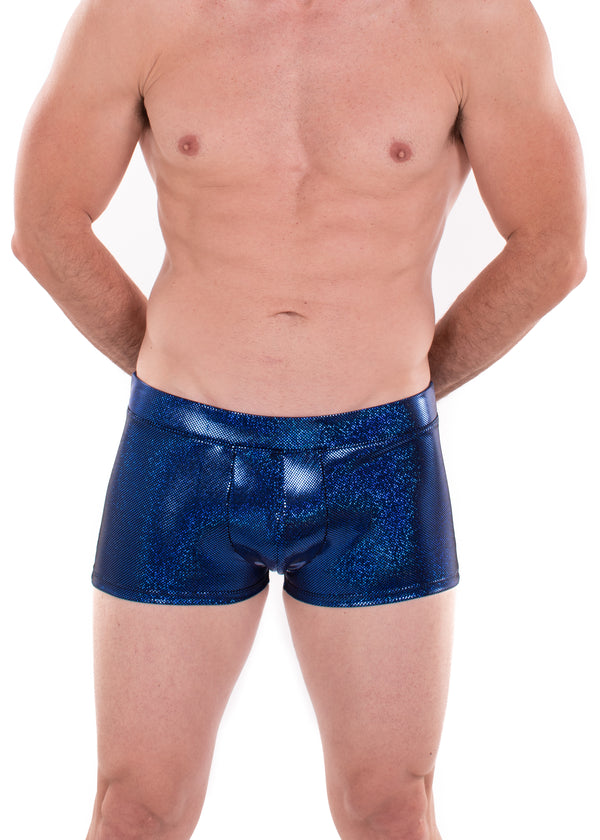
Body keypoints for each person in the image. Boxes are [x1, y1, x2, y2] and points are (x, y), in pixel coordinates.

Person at [12, 0, 586, 837]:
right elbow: (44, 222)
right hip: (182, 458)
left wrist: (415, 388)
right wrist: (171, 374)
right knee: (136, 810)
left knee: (391, 810)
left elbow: (552, 243)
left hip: (379, 462)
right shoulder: (139, 13)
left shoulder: (475, 19)